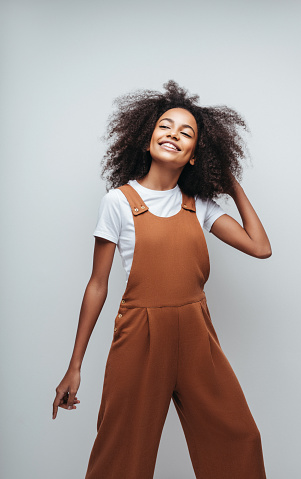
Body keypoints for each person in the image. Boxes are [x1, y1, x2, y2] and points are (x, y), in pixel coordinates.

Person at [52, 80, 272, 479]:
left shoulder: (199, 206)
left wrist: (232, 183)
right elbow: (97, 285)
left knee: (239, 438)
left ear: (193, 157)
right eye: (166, 126)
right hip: (140, 334)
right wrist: (75, 365)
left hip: (195, 333)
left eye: (186, 133)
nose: (173, 134)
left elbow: (260, 247)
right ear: (146, 138)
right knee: (122, 451)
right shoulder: (119, 202)